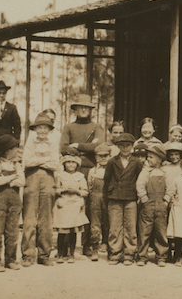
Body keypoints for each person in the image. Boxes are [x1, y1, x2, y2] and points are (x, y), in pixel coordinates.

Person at [60, 94, 105, 258]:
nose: (84, 109)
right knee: (70, 205)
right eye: (81, 107)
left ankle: (88, 245)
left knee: (90, 209)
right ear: (76, 109)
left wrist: (78, 146)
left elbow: (98, 147)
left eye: (87, 107)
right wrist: (87, 148)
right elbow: (63, 148)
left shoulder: (97, 126)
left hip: (91, 171)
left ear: (91, 110)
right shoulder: (68, 127)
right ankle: (66, 247)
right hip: (72, 172)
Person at [21, 112, 60, 267]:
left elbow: (55, 164)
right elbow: (27, 162)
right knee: (29, 219)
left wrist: (38, 161)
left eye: (45, 128)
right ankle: (27, 255)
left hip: (48, 181)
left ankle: (44, 255)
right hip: (31, 181)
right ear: (35, 129)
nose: (42, 131)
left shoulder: (53, 144)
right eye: (39, 128)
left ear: (49, 129)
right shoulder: (30, 143)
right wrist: (45, 160)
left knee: (46, 220)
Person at [0, 134, 25, 272]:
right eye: (15, 148)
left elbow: (22, 181)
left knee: (12, 232)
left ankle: (11, 260)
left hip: (14, 202)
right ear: (8, 150)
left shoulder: (16, 164)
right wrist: (13, 177)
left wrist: (8, 179)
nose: (18, 150)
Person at [103, 133, 143, 265]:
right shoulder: (112, 162)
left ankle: (129, 254)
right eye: (121, 146)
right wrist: (107, 198)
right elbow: (107, 180)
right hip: (115, 197)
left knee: (130, 227)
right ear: (118, 147)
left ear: (132, 146)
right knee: (115, 227)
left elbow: (140, 180)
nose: (125, 148)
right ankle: (115, 253)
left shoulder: (137, 162)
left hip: (131, 197)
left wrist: (138, 197)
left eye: (127, 146)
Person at [136, 145, 170, 267]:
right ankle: (142, 256)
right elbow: (140, 186)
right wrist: (144, 199)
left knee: (161, 231)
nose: (148, 159)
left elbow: (170, 188)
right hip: (148, 205)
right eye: (148, 157)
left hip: (161, 205)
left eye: (151, 157)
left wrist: (166, 200)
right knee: (144, 231)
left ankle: (161, 256)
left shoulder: (165, 172)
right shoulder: (146, 172)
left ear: (160, 159)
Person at [53, 155, 90, 263]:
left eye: (73, 162)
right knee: (62, 230)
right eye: (68, 162)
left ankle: (71, 254)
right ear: (64, 164)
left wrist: (77, 191)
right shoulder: (60, 176)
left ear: (77, 165)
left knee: (73, 231)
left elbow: (85, 191)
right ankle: (60, 253)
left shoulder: (80, 177)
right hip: (63, 204)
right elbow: (55, 189)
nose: (71, 164)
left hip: (75, 205)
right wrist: (63, 190)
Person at [87, 144, 112, 261]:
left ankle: (108, 247)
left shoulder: (112, 170)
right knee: (95, 224)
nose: (103, 158)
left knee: (109, 223)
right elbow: (90, 186)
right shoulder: (93, 171)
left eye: (105, 156)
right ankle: (95, 249)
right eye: (100, 156)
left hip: (109, 198)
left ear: (109, 156)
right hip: (95, 198)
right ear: (96, 158)